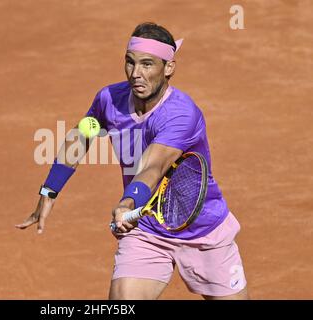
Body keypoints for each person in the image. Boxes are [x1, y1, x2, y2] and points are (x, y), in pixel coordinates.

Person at [16, 22, 249, 300]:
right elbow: (81, 136)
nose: (136, 74)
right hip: (146, 230)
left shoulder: (181, 114)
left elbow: (153, 166)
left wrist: (128, 202)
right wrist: (49, 189)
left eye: (147, 65)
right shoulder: (108, 100)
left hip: (202, 232)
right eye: (130, 63)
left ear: (169, 68)